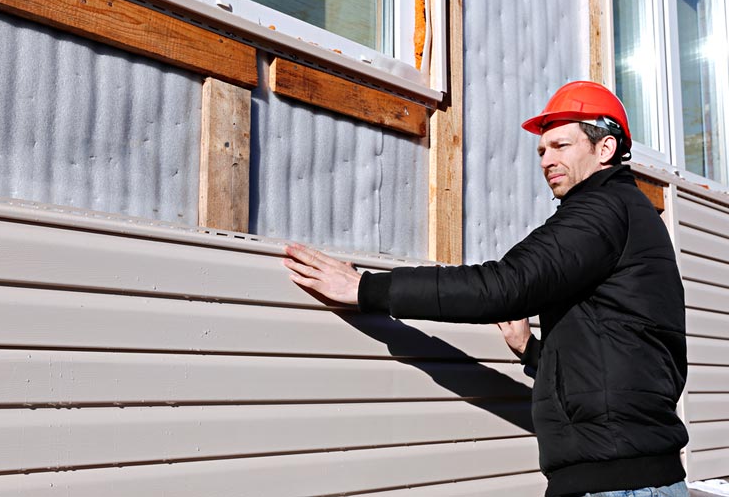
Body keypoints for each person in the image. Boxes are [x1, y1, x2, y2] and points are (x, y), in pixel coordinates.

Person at [283, 81, 689, 497]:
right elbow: (623, 348)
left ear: (605, 148)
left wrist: (364, 288)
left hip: (619, 485)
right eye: (542, 150)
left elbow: (504, 284)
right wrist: (531, 351)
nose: (547, 159)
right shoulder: (631, 215)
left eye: (561, 146)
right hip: (638, 477)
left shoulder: (603, 209)